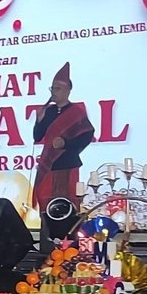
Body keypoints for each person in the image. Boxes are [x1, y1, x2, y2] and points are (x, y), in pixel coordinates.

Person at [31, 62, 95, 209]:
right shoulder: (48, 111)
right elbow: (37, 137)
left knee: (66, 206)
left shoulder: (76, 112)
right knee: (45, 205)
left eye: (57, 88)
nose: (53, 92)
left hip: (67, 165)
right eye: (52, 88)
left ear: (67, 91)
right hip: (48, 166)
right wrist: (39, 120)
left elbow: (87, 137)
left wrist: (65, 143)